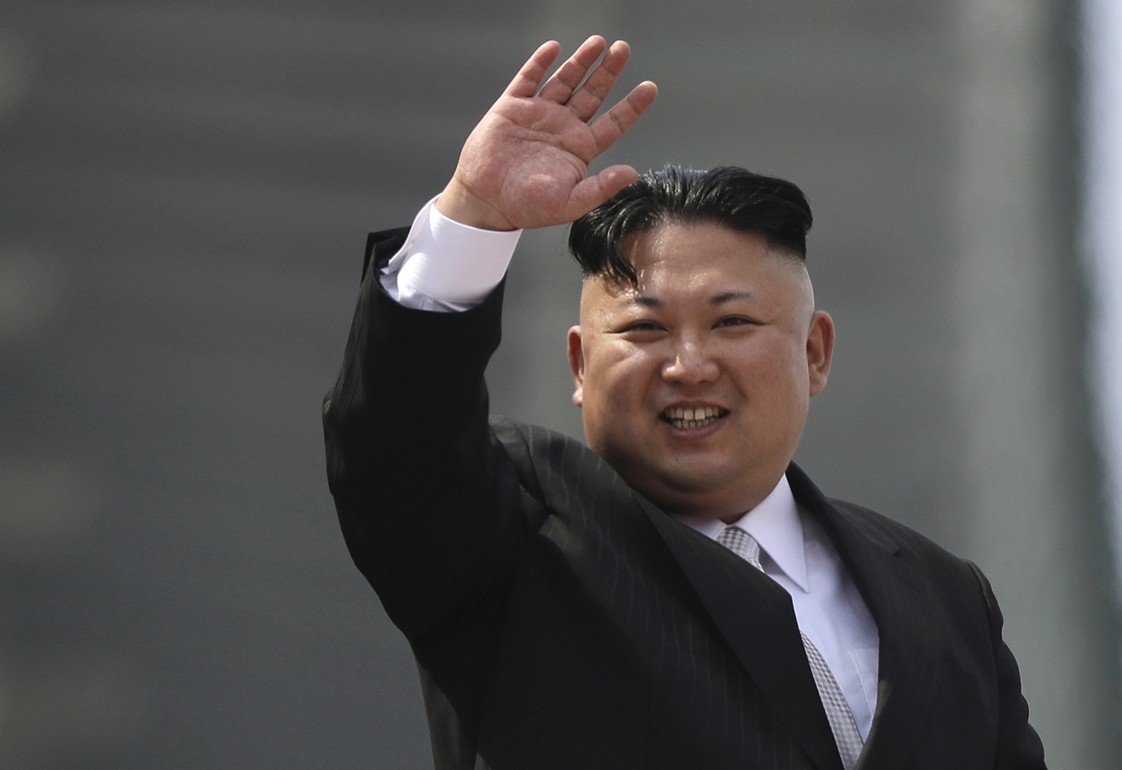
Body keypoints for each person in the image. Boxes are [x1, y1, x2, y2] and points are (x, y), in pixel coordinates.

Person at [323, 36, 1047, 770]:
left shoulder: (944, 597)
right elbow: (396, 445)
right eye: (644, 327)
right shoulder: (516, 526)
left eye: (732, 322)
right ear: (579, 363)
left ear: (814, 352)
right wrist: (473, 216)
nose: (690, 365)